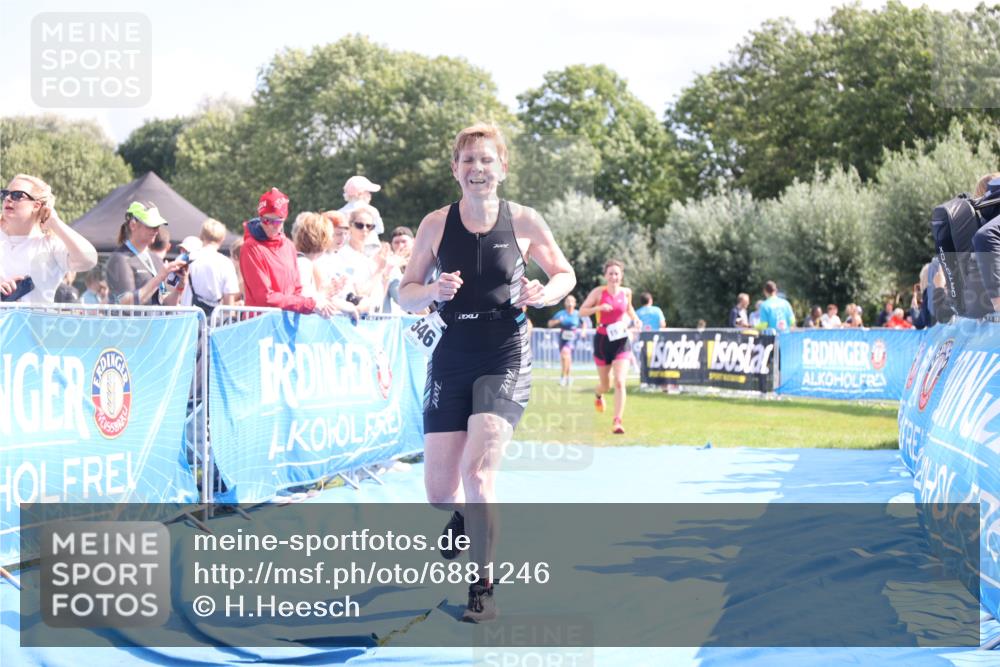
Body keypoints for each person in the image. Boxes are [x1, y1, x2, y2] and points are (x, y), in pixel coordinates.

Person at [398, 122, 575, 623]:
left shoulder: (524, 220)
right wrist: (431, 292)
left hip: (505, 351)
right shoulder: (435, 224)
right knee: (439, 492)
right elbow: (405, 290)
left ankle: (483, 587)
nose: (478, 168)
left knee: (478, 475)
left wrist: (546, 292)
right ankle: (458, 515)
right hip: (451, 353)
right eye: (468, 160)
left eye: (486, 160)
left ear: (502, 167)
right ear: (455, 169)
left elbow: (564, 272)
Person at [0, 174, 97, 303]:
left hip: (36, 323)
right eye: (5, 193)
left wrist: (55, 223)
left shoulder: (50, 244)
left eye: (17, 195)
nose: (7, 198)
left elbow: (89, 260)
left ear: (37, 205)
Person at [239, 188, 336, 316]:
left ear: (284, 220)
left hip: (287, 323)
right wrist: (309, 304)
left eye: (277, 221)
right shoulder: (250, 248)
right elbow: (264, 297)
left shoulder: (289, 246)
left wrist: (316, 301)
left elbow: (297, 290)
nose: (270, 225)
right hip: (261, 325)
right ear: (260, 217)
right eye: (266, 220)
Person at [579, 259, 640, 435]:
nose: (614, 276)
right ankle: (598, 395)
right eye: (611, 273)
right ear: (605, 275)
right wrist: (598, 307)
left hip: (621, 340)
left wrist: (635, 318)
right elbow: (582, 311)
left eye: (617, 273)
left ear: (621, 276)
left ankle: (617, 421)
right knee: (605, 385)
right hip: (602, 341)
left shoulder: (626, 292)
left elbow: (629, 309)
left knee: (620, 381)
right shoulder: (598, 292)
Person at [105, 201, 188, 306]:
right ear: (133, 225)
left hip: (155, 322)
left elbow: (167, 303)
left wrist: (180, 285)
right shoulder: (119, 259)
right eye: (151, 225)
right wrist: (159, 278)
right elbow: (125, 304)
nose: (156, 230)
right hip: (132, 322)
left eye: (158, 226)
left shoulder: (155, 259)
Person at [181, 219, 241, 315]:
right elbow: (229, 305)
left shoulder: (187, 258)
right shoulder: (226, 263)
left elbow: (174, 288)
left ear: (201, 236)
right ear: (222, 239)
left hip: (187, 319)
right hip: (213, 322)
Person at [338, 175, 384, 257]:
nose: (370, 195)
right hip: (370, 250)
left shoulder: (340, 213)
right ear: (361, 193)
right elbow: (380, 229)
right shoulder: (372, 211)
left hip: (345, 252)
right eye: (368, 192)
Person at [547, 294, 588, 387]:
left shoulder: (578, 314)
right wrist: (558, 321)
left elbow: (584, 324)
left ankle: (563, 377)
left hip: (573, 338)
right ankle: (568, 376)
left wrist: (583, 332)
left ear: (574, 303)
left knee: (566, 355)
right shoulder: (561, 314)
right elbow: (549, 323)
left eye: (571, 301)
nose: (570, 303)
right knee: (565, 358)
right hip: (563, 337)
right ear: (565, 303)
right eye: (568, 301)